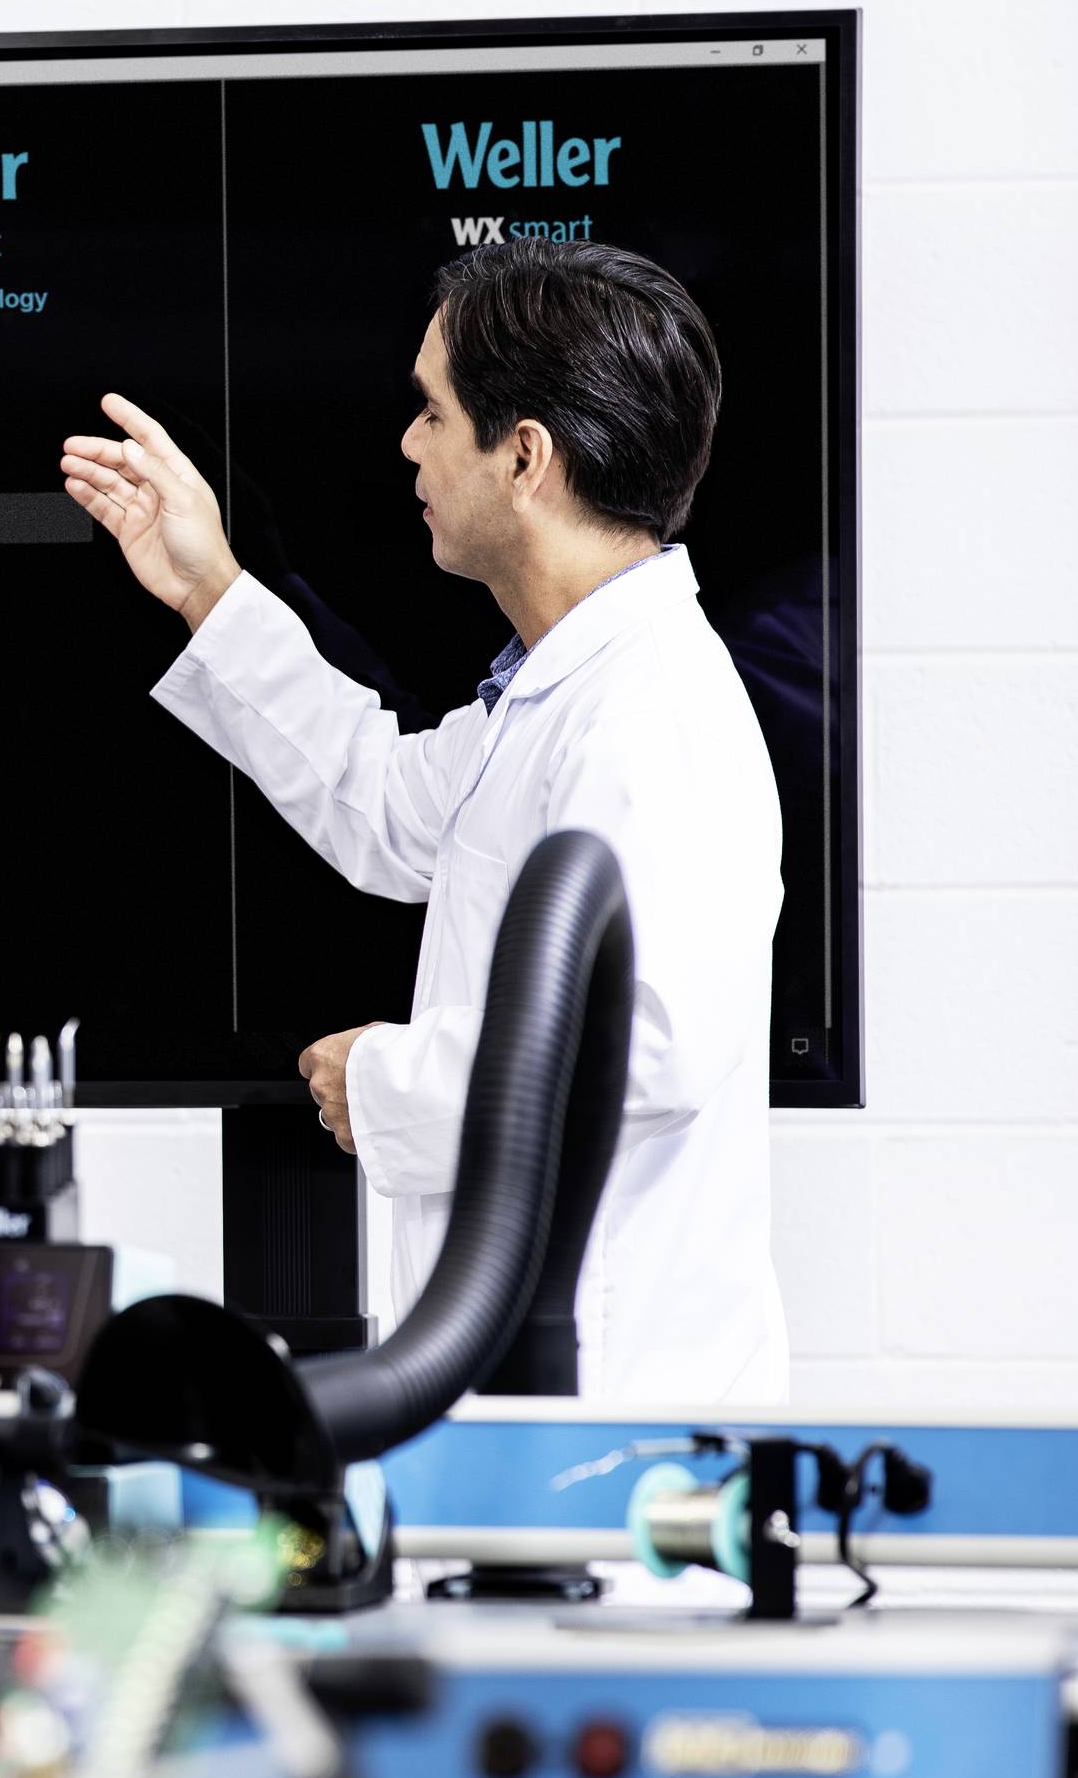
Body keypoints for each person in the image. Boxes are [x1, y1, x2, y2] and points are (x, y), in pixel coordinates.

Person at [59, 239, 788, 1403]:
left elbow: (652, 1040)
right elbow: (390, 806)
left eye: (434, 414)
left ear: (524, 456)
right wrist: (206, 583)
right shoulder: (564, 691)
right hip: (540, 1387)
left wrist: (388, 1079)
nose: (407, 443)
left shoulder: (651, 717)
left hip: (614, 1405)